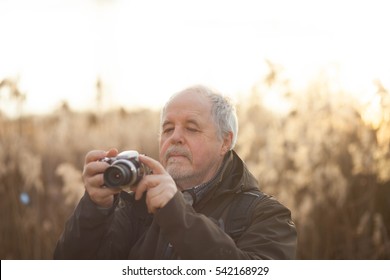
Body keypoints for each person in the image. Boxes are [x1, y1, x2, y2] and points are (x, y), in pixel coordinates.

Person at [53, 85, 297, 259]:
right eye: (167, 129)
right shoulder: (134, 206)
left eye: (191, 128)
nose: (175, 138)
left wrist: (175, 212)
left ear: (225, 142)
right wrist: (95, 208)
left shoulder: (267, 215)